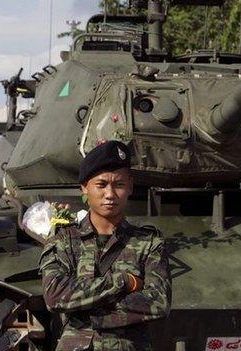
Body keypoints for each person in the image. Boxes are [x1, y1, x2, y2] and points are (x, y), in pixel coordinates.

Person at [40, 140, 171, 350]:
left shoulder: (148, 242)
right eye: (101, 185)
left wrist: (88, 314)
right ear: (85, 187)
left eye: (119, 184)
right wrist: (123, 282)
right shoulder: (64, 239)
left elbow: (158, 302)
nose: (110, 194)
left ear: (130, 186)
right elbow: (55, 296)